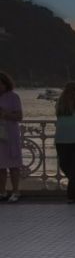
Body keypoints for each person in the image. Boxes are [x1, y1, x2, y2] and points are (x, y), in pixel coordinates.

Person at [0, 72, 23, 203]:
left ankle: (15, 191)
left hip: (10, 134)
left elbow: (19, 116)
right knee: (0, 166)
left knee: (13, 165)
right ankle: (2, 191)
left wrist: (5, 114)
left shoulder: (13, 97)